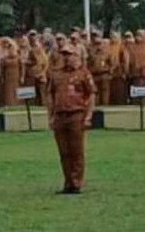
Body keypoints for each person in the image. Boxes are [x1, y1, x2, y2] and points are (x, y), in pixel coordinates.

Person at [47, 45, 96, 195]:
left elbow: (91, 94)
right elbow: (50, 94)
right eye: (64, 55)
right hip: (60, 115)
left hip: (76, 114)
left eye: (70, 55)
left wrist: (88, 116)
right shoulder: (56, 74)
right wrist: (50, 114)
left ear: (77, 56)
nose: (67, 58)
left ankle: (76, 182)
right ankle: (68, 181)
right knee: (64, 151)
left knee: (76, 151)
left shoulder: (83, 73)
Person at [87, 30, 110, 105]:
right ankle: (96, 107)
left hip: (104, 73)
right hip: (93, 73)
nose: (95, 38)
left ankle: (105, 106)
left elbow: (111, 60)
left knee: (105, 92)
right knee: (95, 91)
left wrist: (110, 71)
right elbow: (87, 60)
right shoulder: (89, 47)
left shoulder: (106, 46)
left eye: (96, 36)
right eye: (93, 36)